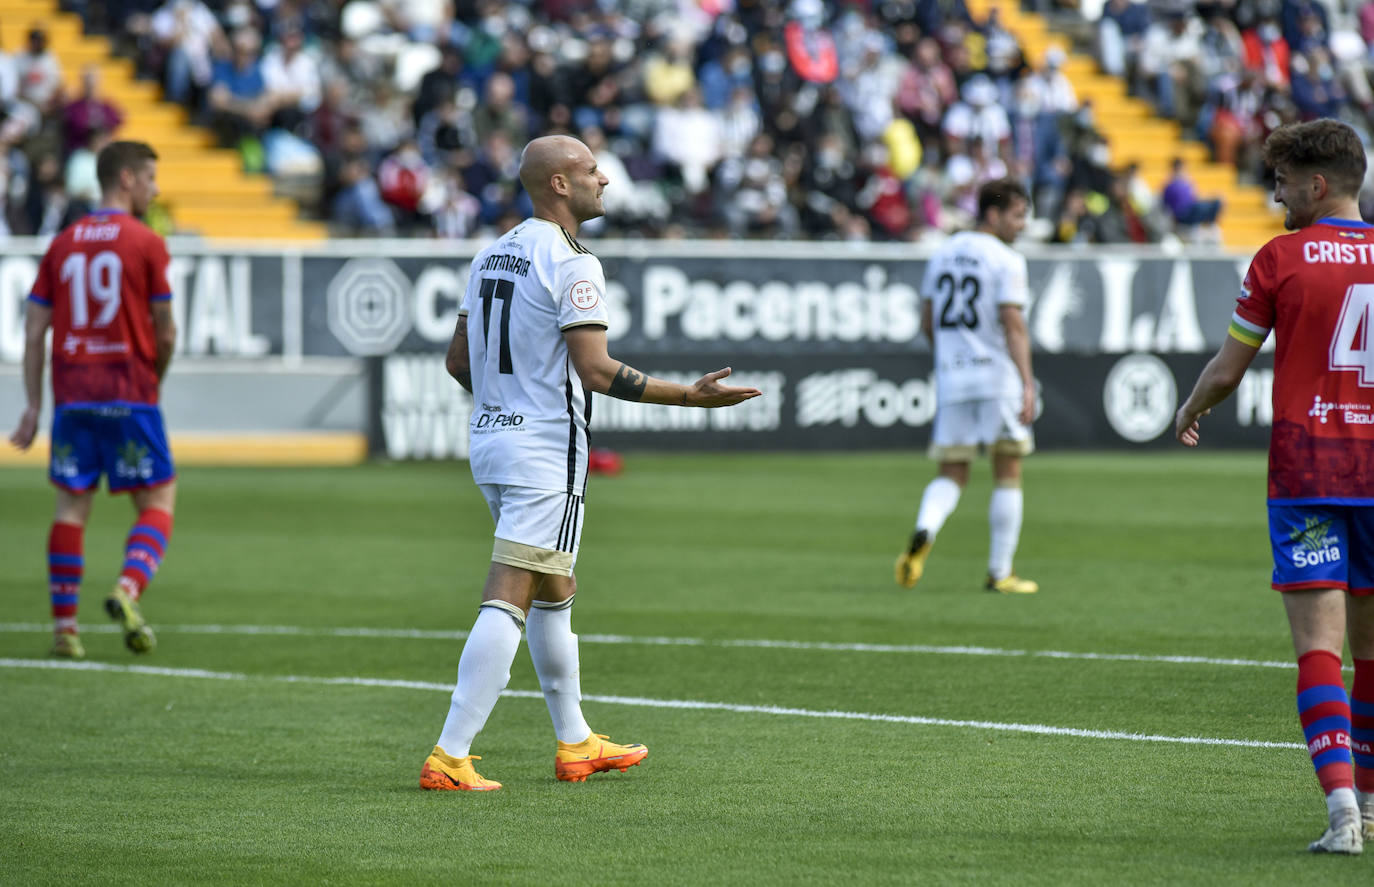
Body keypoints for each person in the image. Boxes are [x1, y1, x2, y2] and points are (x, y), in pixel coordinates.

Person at [420, 135, 762, 791]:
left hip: (491, 439)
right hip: (546, 448)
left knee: (556, 590)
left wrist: (508, 404)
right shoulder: (572, 261)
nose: (603, 180)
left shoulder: (491, 253)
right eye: (590, 170)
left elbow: (459, 362)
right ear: (558, 184)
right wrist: (687, 395)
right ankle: (450, 752)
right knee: (511, 593)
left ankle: (575, 740)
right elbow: (596, 368)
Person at [1176, 119, 1374, 855]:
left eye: (1286, 182)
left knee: (1319, 650)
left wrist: (1192, 407)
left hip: (1311, 471)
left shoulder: (1280, 258)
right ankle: (1372, 805)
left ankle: (1342, 814)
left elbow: (1228, 371)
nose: (1277, 194)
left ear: (1317, 185)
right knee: (1373, 653)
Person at [8, 141, 177, 660]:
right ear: (125, 179)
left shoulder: (62, 244)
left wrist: (35, 404)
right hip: (130, 394)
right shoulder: (146, 242)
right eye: (149, 177)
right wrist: (156, 382)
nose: (154, 188)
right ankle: (127, 588)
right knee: (157, 499)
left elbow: (34, 332)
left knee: (70, 507)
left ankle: (65, 629)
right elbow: (165, 332)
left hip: (73, 399)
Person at [895, 177, 1038, 595]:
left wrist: (950, 359)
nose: (1022, 225)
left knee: (952, 471)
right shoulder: (1007, 260)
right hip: (997, 377)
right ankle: (1000, 573)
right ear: (992, 214)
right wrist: (1027, 382)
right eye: (1017, 215)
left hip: (953, 377)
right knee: (1008, 471)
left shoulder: (941, 254)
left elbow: (927, 322)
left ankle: (926, 527)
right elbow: (1013, 325)